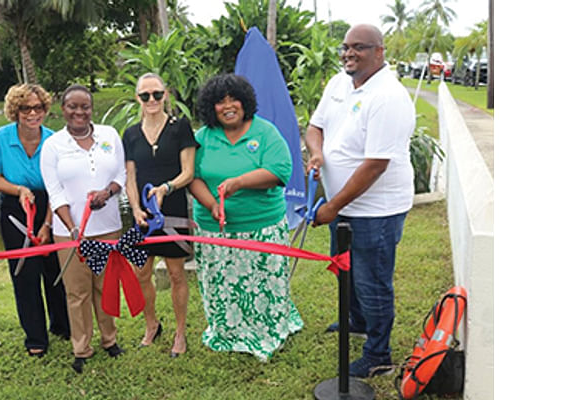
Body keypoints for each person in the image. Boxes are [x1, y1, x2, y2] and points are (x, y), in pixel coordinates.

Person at [305, 24, 415, 378]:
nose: (349, 53)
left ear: (379, 51)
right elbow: (314, 126)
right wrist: (318, 154)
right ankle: (358, 321)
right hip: (343, 204)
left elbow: (375, 165)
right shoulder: (339, 82)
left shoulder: (388, 97)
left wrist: (332, 207)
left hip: (376, 210)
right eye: (346, 47)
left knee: (372, 280)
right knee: (345, 271)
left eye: (359, 48)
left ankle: (378, 354)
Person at [188, 74, 303, 361]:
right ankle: (226, 329)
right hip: (215, 230)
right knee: (221, 282)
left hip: (261, 227)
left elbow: (279, 172)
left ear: (245, 102)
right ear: (210, 107)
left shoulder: (265, 133)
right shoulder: (202, 138)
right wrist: (213, 204)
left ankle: (267, 329)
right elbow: (192, 177)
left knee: (262, 283)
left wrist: (238, 182)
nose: (228, 106)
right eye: (220, 101)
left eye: (233, 99)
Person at [40, 84, 127, 373]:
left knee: (105, 286)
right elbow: (54, 191)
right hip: (70, 233)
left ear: (93, 109)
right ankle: (81, 348)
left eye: (84, 106)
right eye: (72, 107)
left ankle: (109, 339)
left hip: (108, 227)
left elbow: (121, 175)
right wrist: (72, 226)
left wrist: (108, 192)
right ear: (62, 109)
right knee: (77, 292)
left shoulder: (109, 135)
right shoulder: (53, 145)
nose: (79, 112)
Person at [0, 84, 70, 357]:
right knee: (24, 273)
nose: (32, 113)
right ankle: (35, 336)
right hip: (15, 208)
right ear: (15, 110)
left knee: (54, 270)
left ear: (46, 109)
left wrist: (46, 224)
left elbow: (59, 186)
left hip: (51, 205)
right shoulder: (1, 137)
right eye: (25, 108)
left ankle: (62, 325)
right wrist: (20, 190)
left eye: (38, 108)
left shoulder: (54, 140)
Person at [121, 73, 197, 357]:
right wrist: (136, 209)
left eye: (156, 94)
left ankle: (180, 333)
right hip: (142, 215)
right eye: (145, 95)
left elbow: (188, 172)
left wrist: (167, 187)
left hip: (173, 211)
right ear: (137, 98)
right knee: (141, 272)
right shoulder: (130, 134)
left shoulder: (180, 128)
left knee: (177, 274)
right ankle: (151, 324)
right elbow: (130, 177)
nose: (151, 100)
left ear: (165, 95)